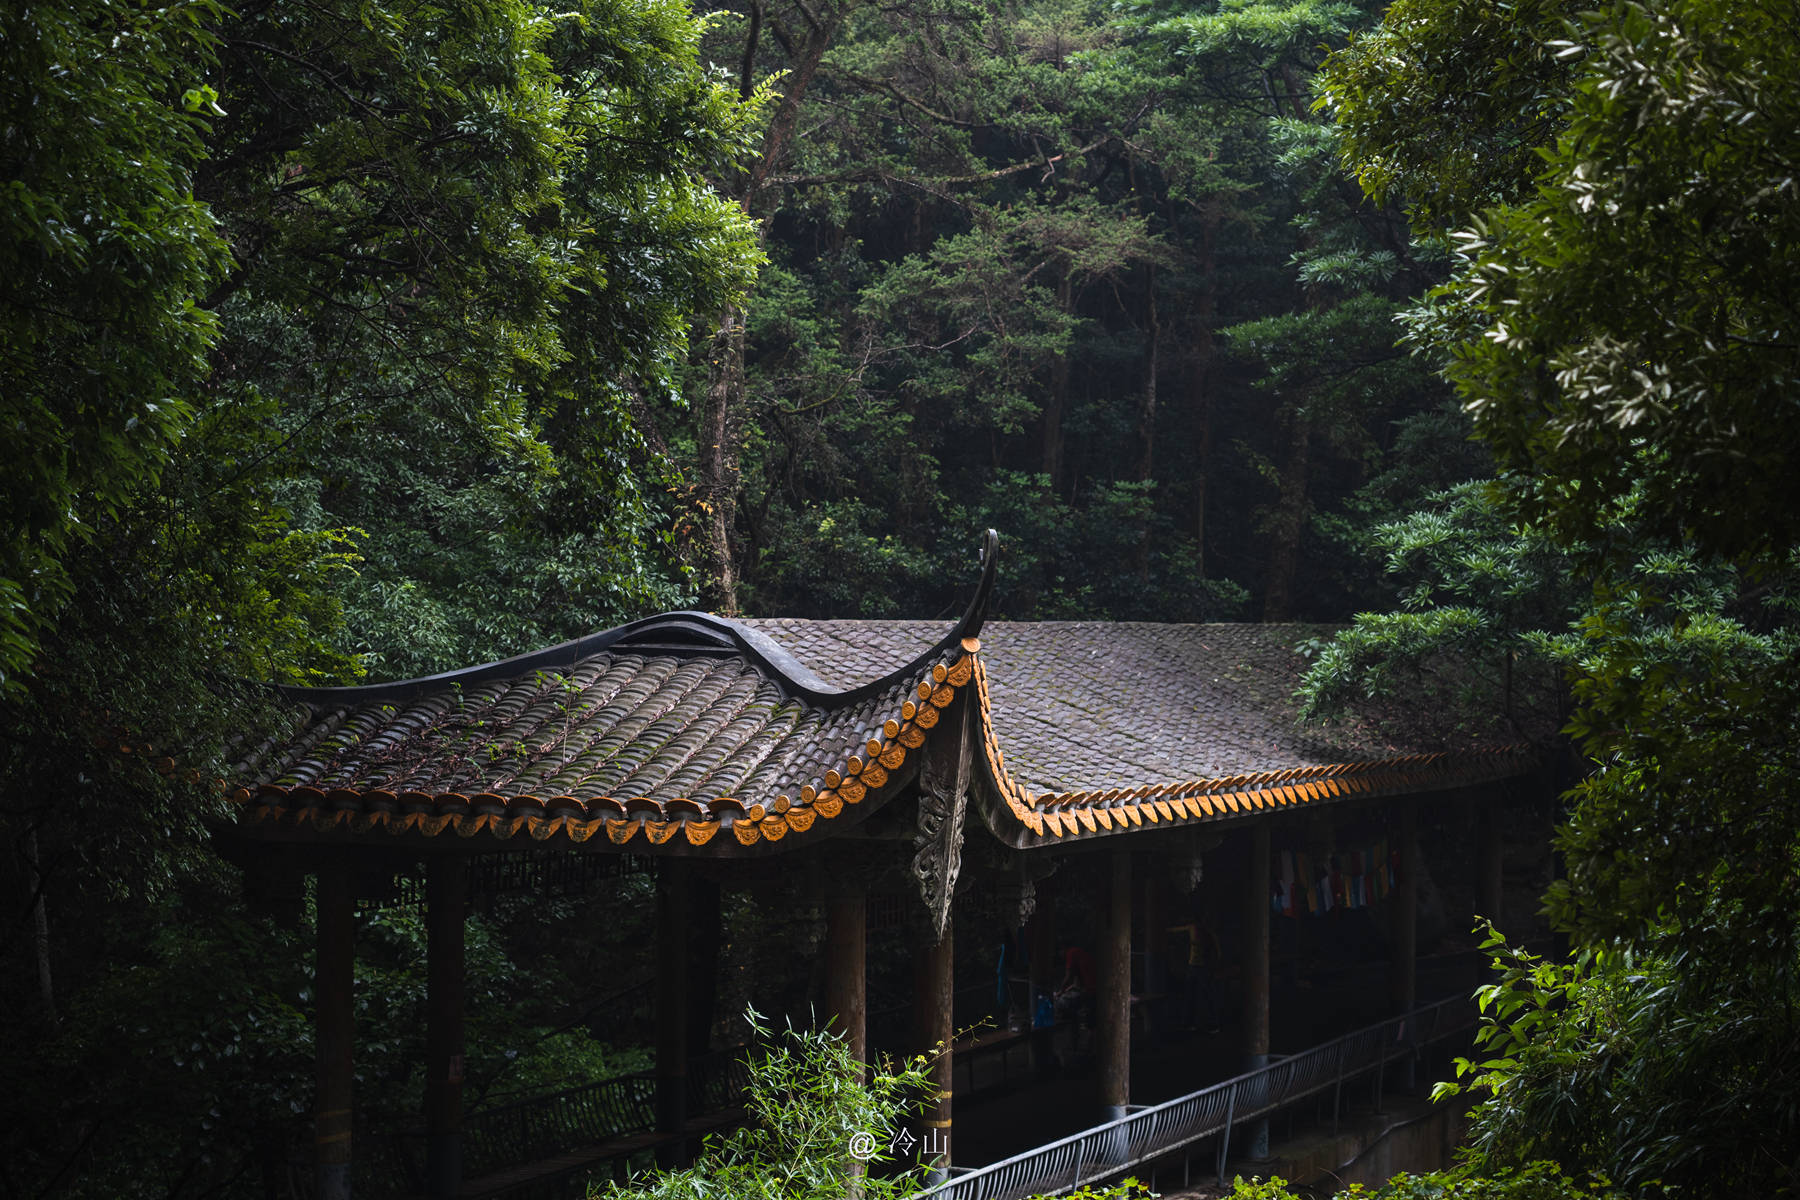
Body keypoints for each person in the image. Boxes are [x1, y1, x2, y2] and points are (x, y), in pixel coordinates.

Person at [1169, 910, 1221, 1032]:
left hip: (1203, 967)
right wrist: (1167, 930)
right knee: (1190, 995)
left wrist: (1214, 966)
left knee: (1206, 995)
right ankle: (1189, 1023)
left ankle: (1213, 1024)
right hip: (1192, 967)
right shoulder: (1192, 928)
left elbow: (1218, 950)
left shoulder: (1208, 932)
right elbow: (1178, 929)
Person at [1055, 942, 1097, 1031]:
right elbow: (1077, 980)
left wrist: (1061, 991)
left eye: (1059, 953)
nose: (1060, 956)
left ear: (1062, 949)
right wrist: (1069, 988)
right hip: (1093, 987)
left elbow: (1068, 977)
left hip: (1091, 989)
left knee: (1061, 1002)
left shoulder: (1071, 953)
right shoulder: (1079, 953)